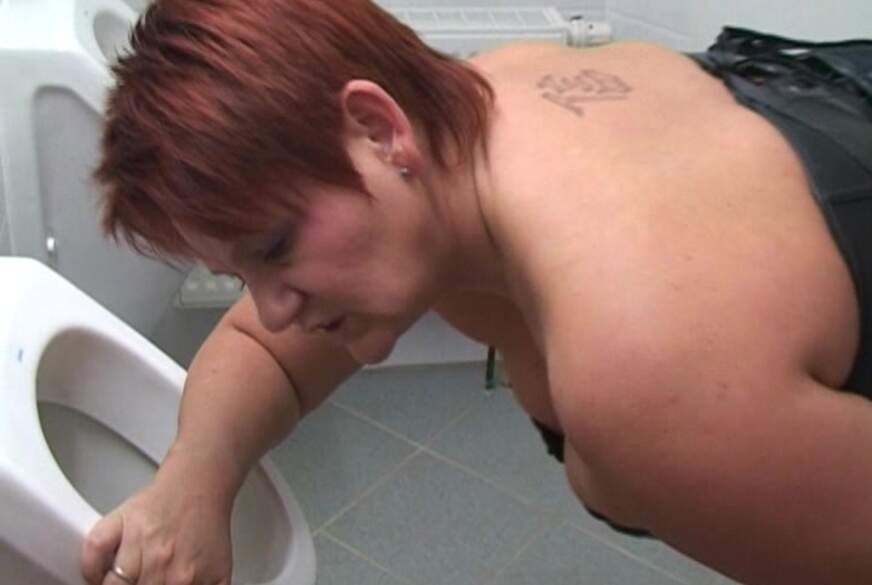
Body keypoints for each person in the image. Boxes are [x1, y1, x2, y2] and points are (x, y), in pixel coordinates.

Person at [79, 0, 872, 583]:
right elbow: (263, 348)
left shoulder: (649, 373)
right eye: (242, 274)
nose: (273, 304)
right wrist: (190, 483)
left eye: (274, 249)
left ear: (379, 127)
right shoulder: (467, 118)